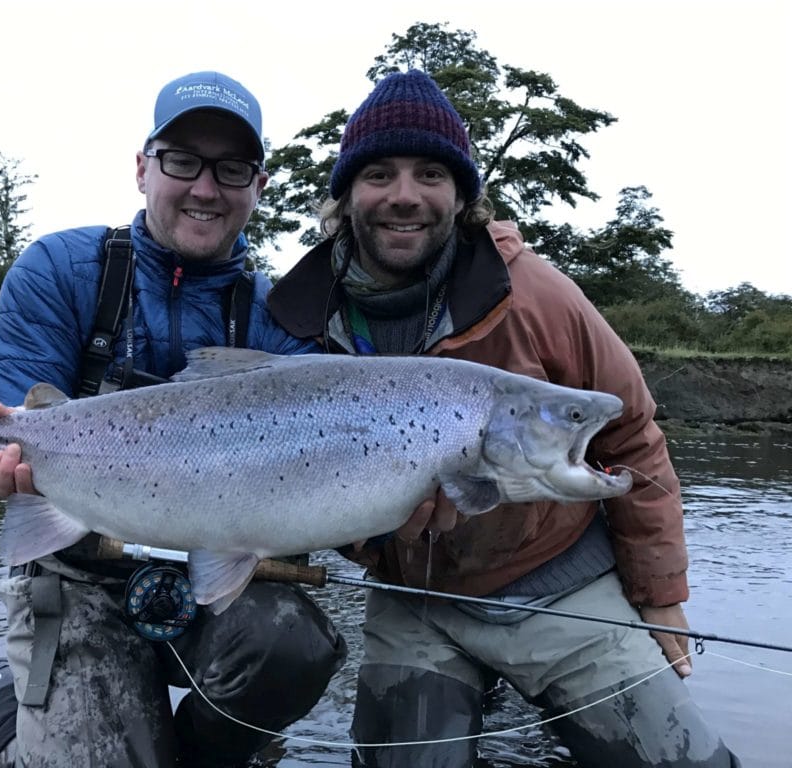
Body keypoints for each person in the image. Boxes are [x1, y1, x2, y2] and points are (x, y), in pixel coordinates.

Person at [266, 69, 741, 767]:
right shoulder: (301, 316)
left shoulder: (539, 295)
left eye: (430, 173)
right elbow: (288, 485)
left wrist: (661, 593)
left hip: (564, 584)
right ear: (345, 196)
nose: (404, 195)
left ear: (461, 196)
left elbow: (631, 432)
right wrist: (368, 540)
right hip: (414, 597)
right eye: (378, 174)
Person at [0, 70, 348, 768]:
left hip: (226, 577)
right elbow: (15, 418)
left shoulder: (283, 318)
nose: (206, 188)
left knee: (293, 648)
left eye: (232, 168)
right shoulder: (59, 269)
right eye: (182, 161)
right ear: (143, 167)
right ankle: (0, 719)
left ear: (258, 187)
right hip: (79, 572)